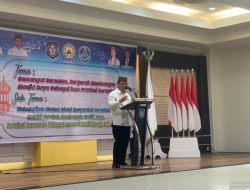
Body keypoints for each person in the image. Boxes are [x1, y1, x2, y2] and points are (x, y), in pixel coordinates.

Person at [108, 76, 132, 169]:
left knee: (125, 142)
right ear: (117, 84)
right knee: (118, 142)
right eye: (122, 83)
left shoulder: (128, 95)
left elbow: (130, 107)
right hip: (117, 122)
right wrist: (119, 101)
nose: (124, 85)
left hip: (126, 122)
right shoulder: (113, 94)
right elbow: (111, 106)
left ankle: (122, 161)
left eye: (125, 84)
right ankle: (116, 162)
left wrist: (132, 121)